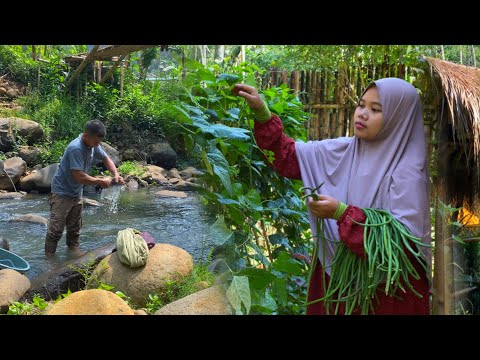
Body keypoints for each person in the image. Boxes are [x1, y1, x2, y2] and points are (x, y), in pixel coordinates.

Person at [233, 78, 431, 315]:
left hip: (386, 295)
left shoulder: (409, 173)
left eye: (375, 109)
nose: (363, 114)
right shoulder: (344, 150)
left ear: (400, 119)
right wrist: (261, 111)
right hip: (338, 280)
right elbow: (287, 157)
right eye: (361, 105)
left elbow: (403, 245)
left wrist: (341, 213)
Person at [45, 120, 125, 257]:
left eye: (99, 143)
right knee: (56, 230)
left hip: (76, 192)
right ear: (86, 136)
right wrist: (99, 181)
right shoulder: (76, 148)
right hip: (61, 193)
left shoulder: (93, 144)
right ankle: (49, 257)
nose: (97, 145)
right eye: (96, 142)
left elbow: (106, 159)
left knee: (75, 228)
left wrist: (116, 174)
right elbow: (79, 177)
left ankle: (73, 251)